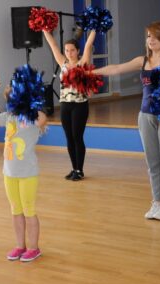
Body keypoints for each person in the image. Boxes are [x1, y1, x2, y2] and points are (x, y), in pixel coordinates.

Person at [93, 22, 160, 220]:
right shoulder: (142, 60)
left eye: (155, 36)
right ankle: (156, 202)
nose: (150, 40)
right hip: (145, 115)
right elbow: (115, 69)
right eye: (148, 36)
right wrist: (90, 73)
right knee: (153, 163)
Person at [0, 86, 47, 262]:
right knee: (16, 210)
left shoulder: (32, 118)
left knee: (29, 210)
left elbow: (42, 118)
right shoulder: (8, 117)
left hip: (28, 173)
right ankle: (20, 246)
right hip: (9, 173)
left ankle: (33, 248)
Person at [43, 29, 96, 181]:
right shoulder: (63, 63)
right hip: (65, 105)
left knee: (77, 137)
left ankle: (80, 170)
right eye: (66, 50)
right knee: (69, 138)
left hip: (80, 105)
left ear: (78, 51)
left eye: (72, 50)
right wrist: (43, 28)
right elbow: (52, 44)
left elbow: (89, 44)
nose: (69, 53)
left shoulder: (82, 63)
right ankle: (74, 168)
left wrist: (94, 27)